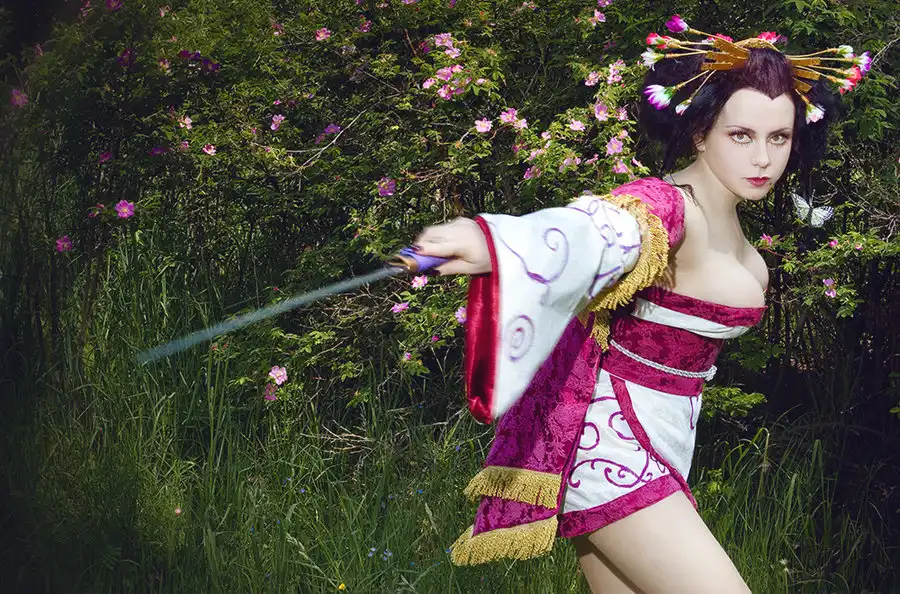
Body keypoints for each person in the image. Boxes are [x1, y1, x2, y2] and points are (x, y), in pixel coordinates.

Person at [413, 17, 868, 594]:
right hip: (609, 445)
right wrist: (497, 244)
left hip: (666, 444)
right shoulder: (667, 205)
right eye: (741, 135)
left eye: (778, 138)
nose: (763, 158)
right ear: (700, 133)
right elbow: (602, 230)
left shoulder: (742, 243)